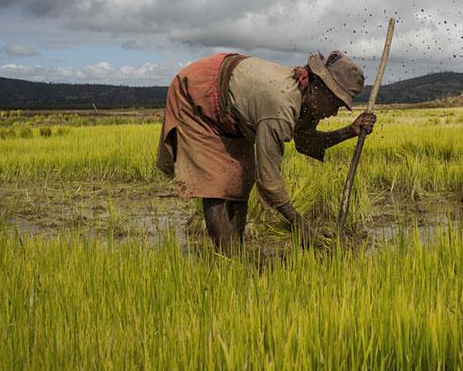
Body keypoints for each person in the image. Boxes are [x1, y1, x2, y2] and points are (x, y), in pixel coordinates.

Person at [156, 50, 376, 254]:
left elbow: (306, 144)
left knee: (241, 179)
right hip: (198, 92)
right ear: (319, 88)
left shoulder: (309, 99)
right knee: (218, 183)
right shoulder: (281, 106)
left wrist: (351, 131)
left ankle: (235, 254)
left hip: (233, 105)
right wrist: (299, 224)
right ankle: (227, 264)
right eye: (335, 103)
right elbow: (268, 179)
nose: (334, 112)